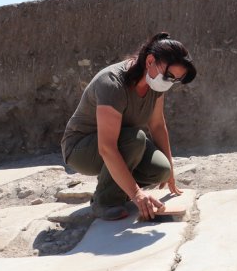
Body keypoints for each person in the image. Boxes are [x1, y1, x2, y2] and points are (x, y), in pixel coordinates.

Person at [61, 32, 197, 221]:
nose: (170, 82)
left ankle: (118, 187)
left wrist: (171, 171)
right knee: (136, 139)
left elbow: (157, 125)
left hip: (124, 143)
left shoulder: (155, 84)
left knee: (161, 170)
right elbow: (106, 147)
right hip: (81, 149)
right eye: (169, 76)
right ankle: (104, 200)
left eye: (175, 79)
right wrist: (137, 194)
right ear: (150, 61)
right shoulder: (112, 83)